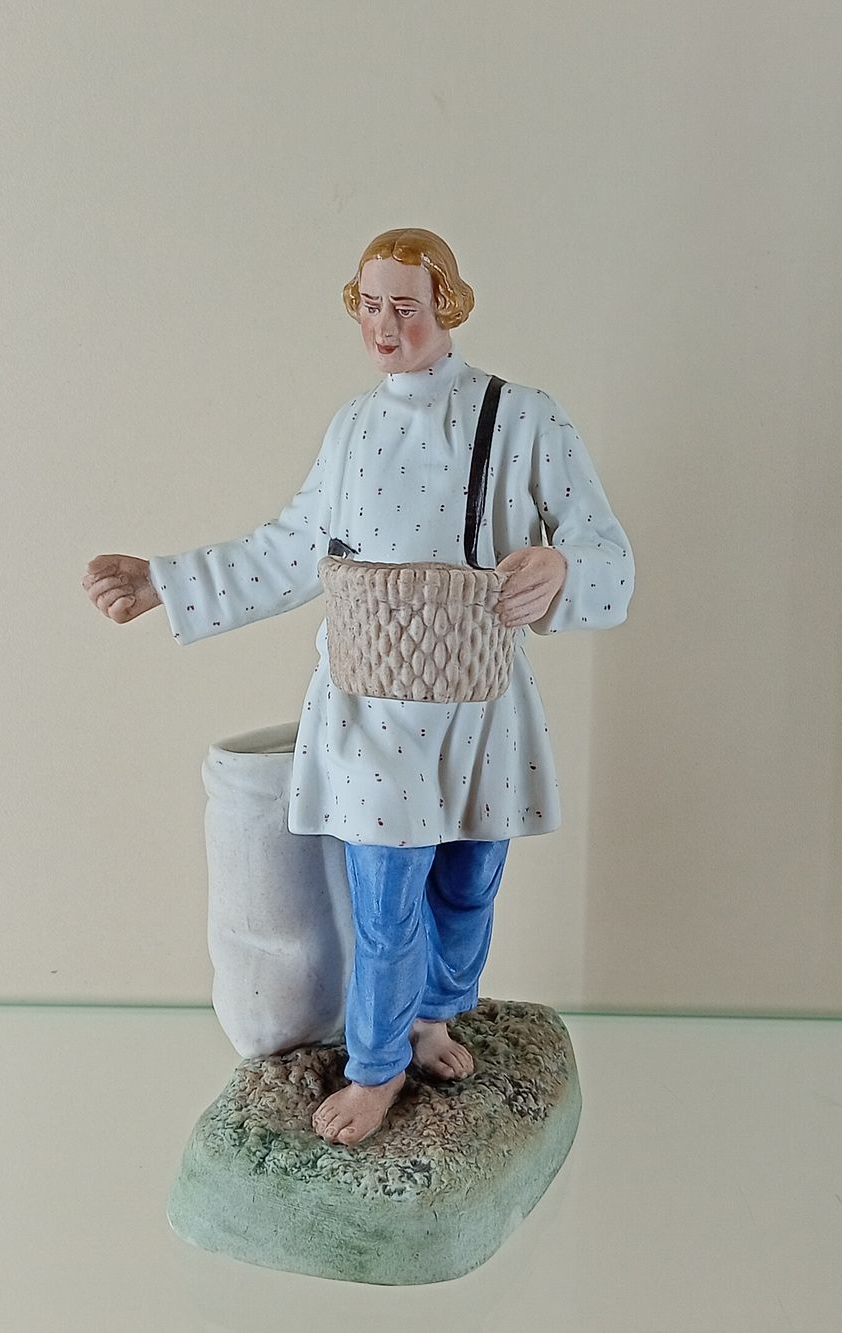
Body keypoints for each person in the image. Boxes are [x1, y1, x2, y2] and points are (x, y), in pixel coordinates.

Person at [84, 228, 634, 1146]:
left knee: (468, 887)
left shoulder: (525, 417)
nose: (384, 327)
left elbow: (608, 554)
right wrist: (165, 582)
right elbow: (289, 549)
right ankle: (375, 1067)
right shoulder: (352, 428)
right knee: (385, 901)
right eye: (370, 306)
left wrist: (562, 570)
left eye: (404, 307)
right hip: (372, 706)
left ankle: (432, 1018)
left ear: (445, 306)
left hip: (481, 703)